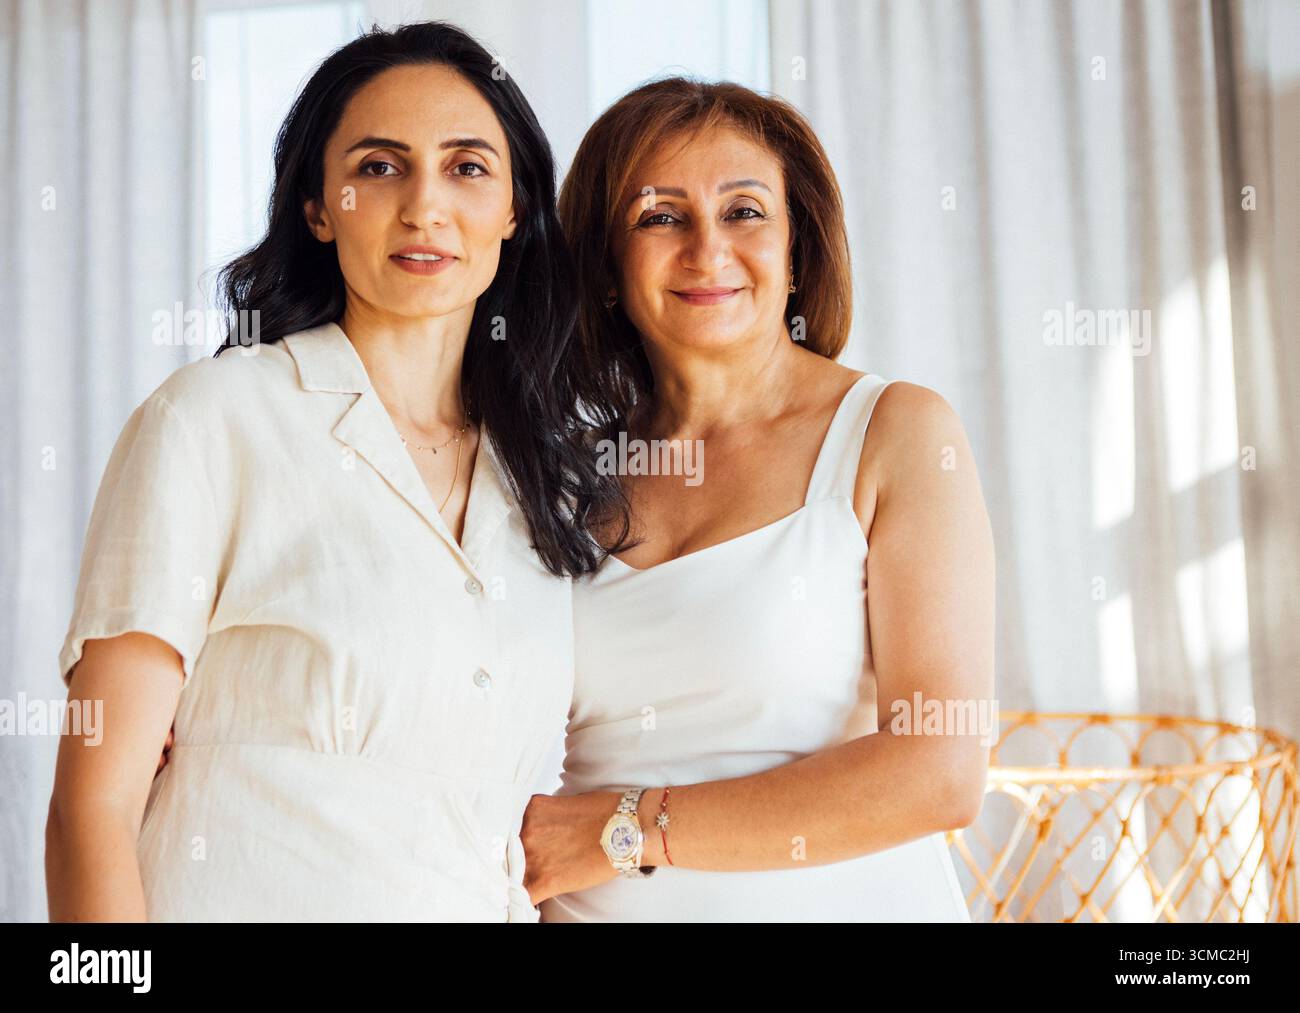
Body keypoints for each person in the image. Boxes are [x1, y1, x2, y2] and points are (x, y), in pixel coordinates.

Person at [45, 21, 624, 922]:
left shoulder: (546, 483)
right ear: (318, 206)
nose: (424, 206)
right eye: (379, 166)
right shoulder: (213, 420)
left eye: (467, 167)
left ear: (514, 210)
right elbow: (92, 810)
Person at [523, 78, 996, 921]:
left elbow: (940, 770)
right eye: (660, 216)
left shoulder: (895, 434)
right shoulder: (560, 472)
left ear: (797, 251)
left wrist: (620, 829)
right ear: (603, 266)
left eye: (744, 211)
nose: (708, 249)